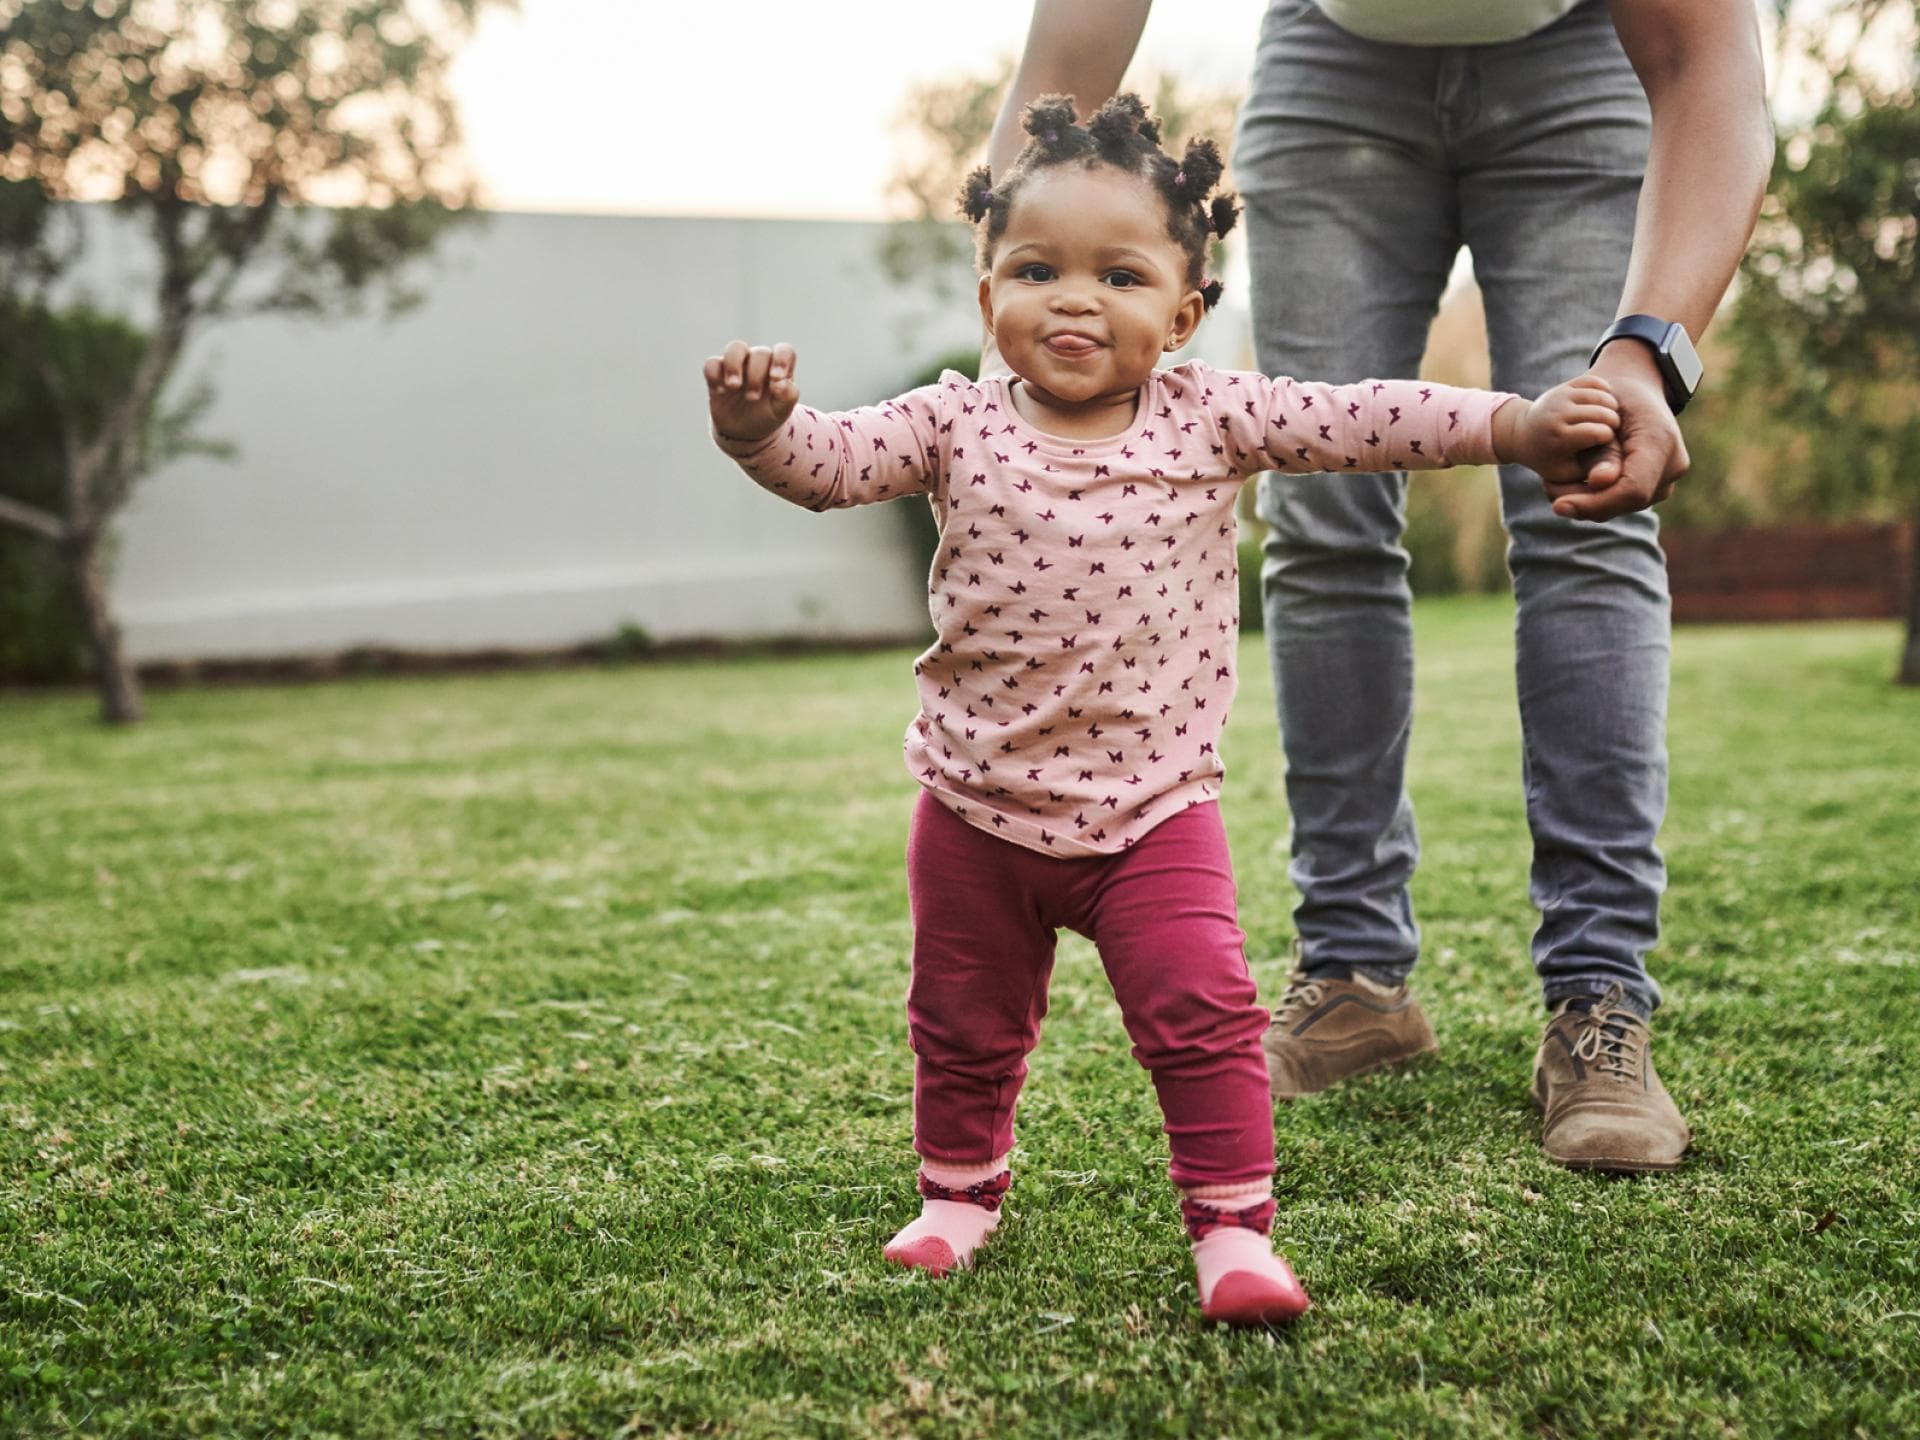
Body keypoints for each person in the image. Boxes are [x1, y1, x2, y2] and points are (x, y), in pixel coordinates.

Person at [704, 95, 1619, 1324]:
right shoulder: (951, 422)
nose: (1075, 298)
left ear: (1183, 316)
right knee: (961, 1025)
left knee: (1204, 1018)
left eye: (1119, 274)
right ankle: (957, 1196)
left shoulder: (1212, 416)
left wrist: (1515, 424)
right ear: (988, 299)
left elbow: (1368, 418)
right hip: (975, 811)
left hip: (1152, 819)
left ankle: (1234, 1233)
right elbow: (832, 464)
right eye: (1037, 269)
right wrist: (760, 433)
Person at [987, 0, 1772, 1173]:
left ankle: (1600, 999)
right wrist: (1012, 302)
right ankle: (1354, 978)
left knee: (1590, 495)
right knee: (1321, 512)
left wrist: (1649, 352)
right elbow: (1064, 66)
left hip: (1584, 62)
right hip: (1333, 67)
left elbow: (1711, 63)